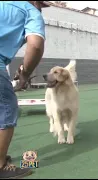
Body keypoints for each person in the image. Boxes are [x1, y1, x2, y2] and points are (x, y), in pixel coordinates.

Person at [0, 1, 49, 178]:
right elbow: (35, 45)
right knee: (7, 108)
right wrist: (25, 74)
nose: (41, 9)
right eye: (42, 5)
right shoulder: (31, 12)